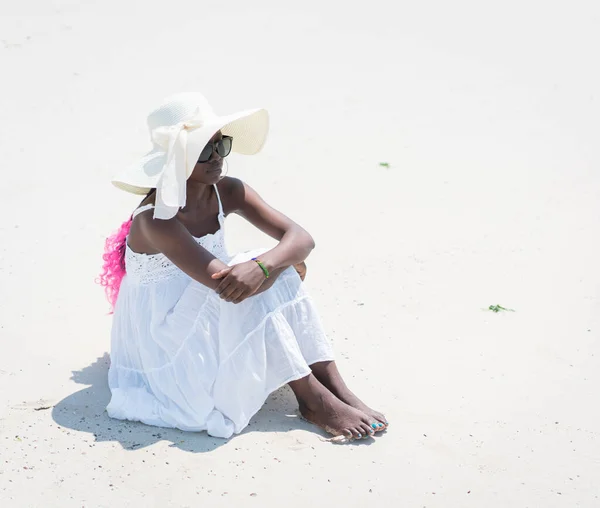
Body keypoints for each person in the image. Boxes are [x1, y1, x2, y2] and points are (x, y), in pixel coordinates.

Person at [99, 92, 387, 442]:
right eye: (205, 150)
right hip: (163, 343)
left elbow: (302, 238)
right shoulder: (156, 220)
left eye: (222, 145)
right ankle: (312, 398)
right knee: (256, 268)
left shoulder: (227, 191)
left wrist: (270, 265)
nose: (218, 157)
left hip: (203, 312)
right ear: (176, 158)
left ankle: (333, 384)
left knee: (266, 264)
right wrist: (278, 265)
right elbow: (228, 284)